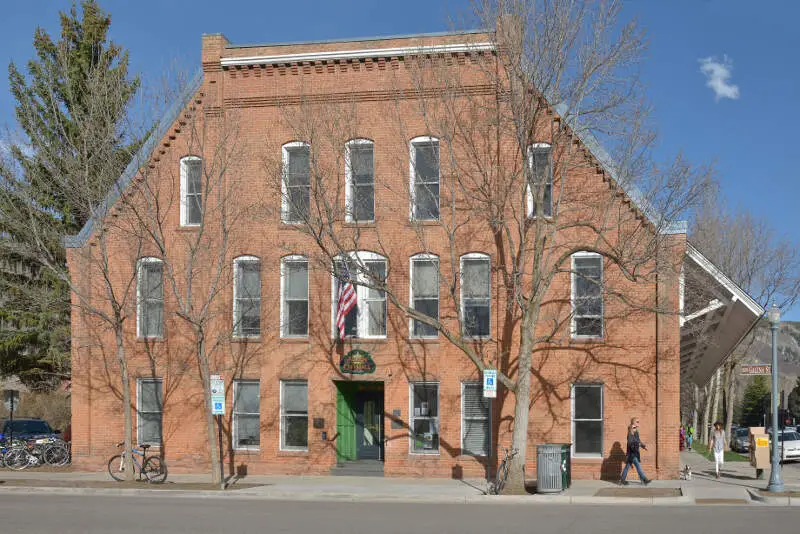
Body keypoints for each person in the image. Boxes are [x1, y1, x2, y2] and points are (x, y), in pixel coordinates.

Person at [620, 417, 651, 485]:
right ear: (633, 423)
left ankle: (622, 480)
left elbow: (638, 441)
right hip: (632, 453)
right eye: (637, 421)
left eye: (638, 422)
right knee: (638, 466)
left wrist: (643, 446)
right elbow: (631, 443)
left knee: (627, 467)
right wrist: (637, 445)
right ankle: (644, 479)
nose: (638, 423)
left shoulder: (636, 432)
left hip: (635, 452)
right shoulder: (630, 433)